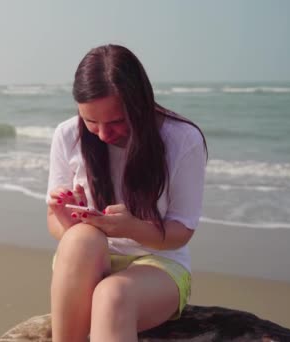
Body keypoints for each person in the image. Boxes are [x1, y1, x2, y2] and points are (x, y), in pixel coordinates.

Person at [46, 44, 207, 342]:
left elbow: (181, 232)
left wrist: (132, 227)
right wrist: (66, 219)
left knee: (112, 295)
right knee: (82, 238)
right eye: (91, 121)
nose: (104, 135)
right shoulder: (67, 134)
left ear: (140, 104)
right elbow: (55, 225)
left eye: (117, 121)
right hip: (87, 263)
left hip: (158, 265)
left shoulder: (182, 139)